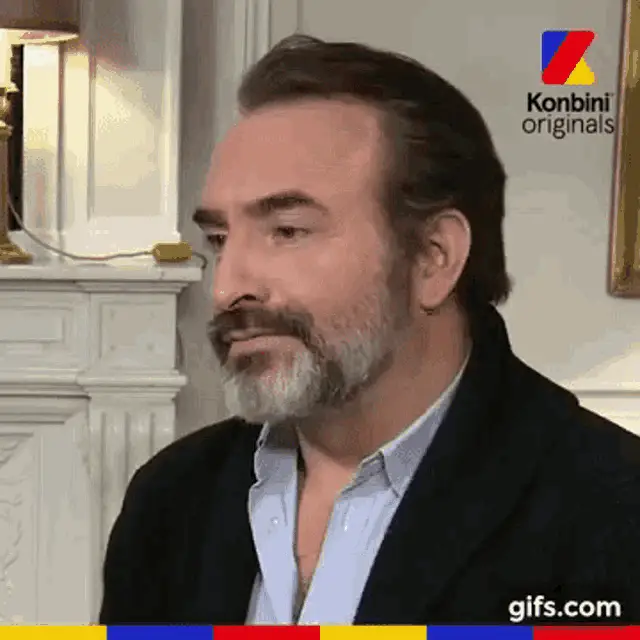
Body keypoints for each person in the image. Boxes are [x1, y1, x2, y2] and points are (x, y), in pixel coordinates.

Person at [98, 35, 640, 625]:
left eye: (287, 231)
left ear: (433, 257)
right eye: (220, 239)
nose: (227, 287)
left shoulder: (611, 508)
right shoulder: (170, 498)